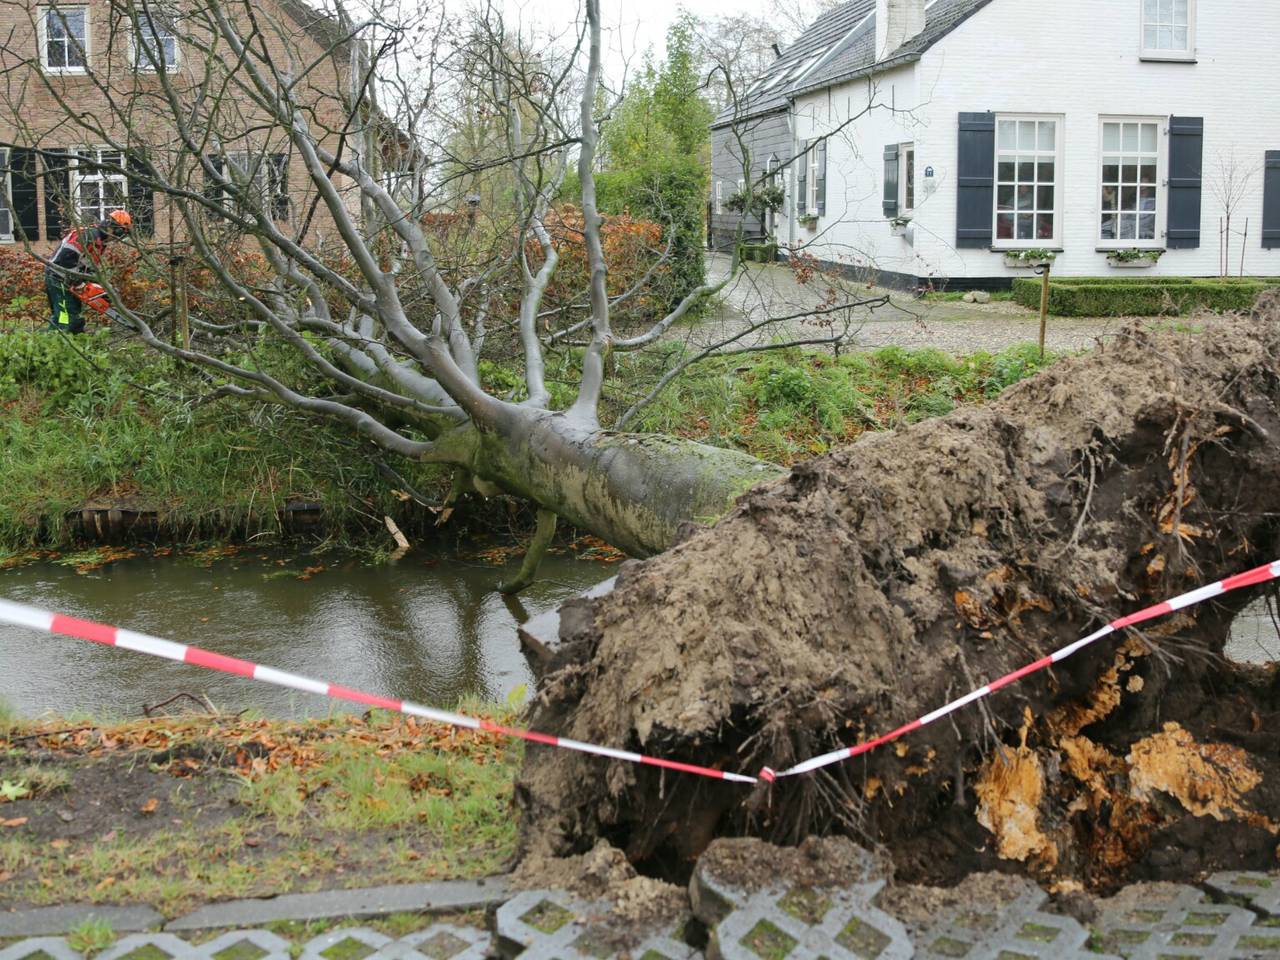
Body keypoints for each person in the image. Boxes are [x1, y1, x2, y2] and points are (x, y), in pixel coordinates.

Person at [45, 209, 132, 333]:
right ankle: (60, 337)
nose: (117, 238)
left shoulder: (100, 243)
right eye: (120, 233)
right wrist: (78, 282)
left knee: (71, 310)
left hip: (69, 279)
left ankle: (55, 338)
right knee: (66, 314)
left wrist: (101, 288)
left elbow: (88, 268)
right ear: (114, 229)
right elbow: (66, 258)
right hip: (58, 277)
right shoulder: (88, 235)